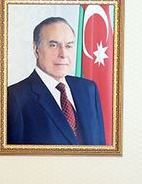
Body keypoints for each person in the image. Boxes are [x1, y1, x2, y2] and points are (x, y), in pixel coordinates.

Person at [7, 16, 106, 145]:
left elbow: (100, 147)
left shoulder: (88, 89)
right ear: (36, 49)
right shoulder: (14, 97)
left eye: (69, 46)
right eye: (53, 45)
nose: (63, 54)